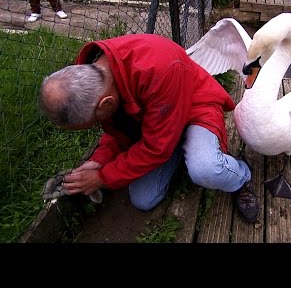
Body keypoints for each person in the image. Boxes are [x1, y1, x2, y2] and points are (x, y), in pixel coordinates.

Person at [38, 33, 260, 223]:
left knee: (206, 169)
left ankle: (242, 175)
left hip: (194, 108)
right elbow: (117, 129)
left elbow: (155, 147)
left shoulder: (158, 68)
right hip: (161, 124)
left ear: (106, 103)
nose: (97, 125)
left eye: (93, 122)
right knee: (143, 199)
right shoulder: (94, 78)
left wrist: (102, 177)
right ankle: (183, 149)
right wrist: (98, 161)